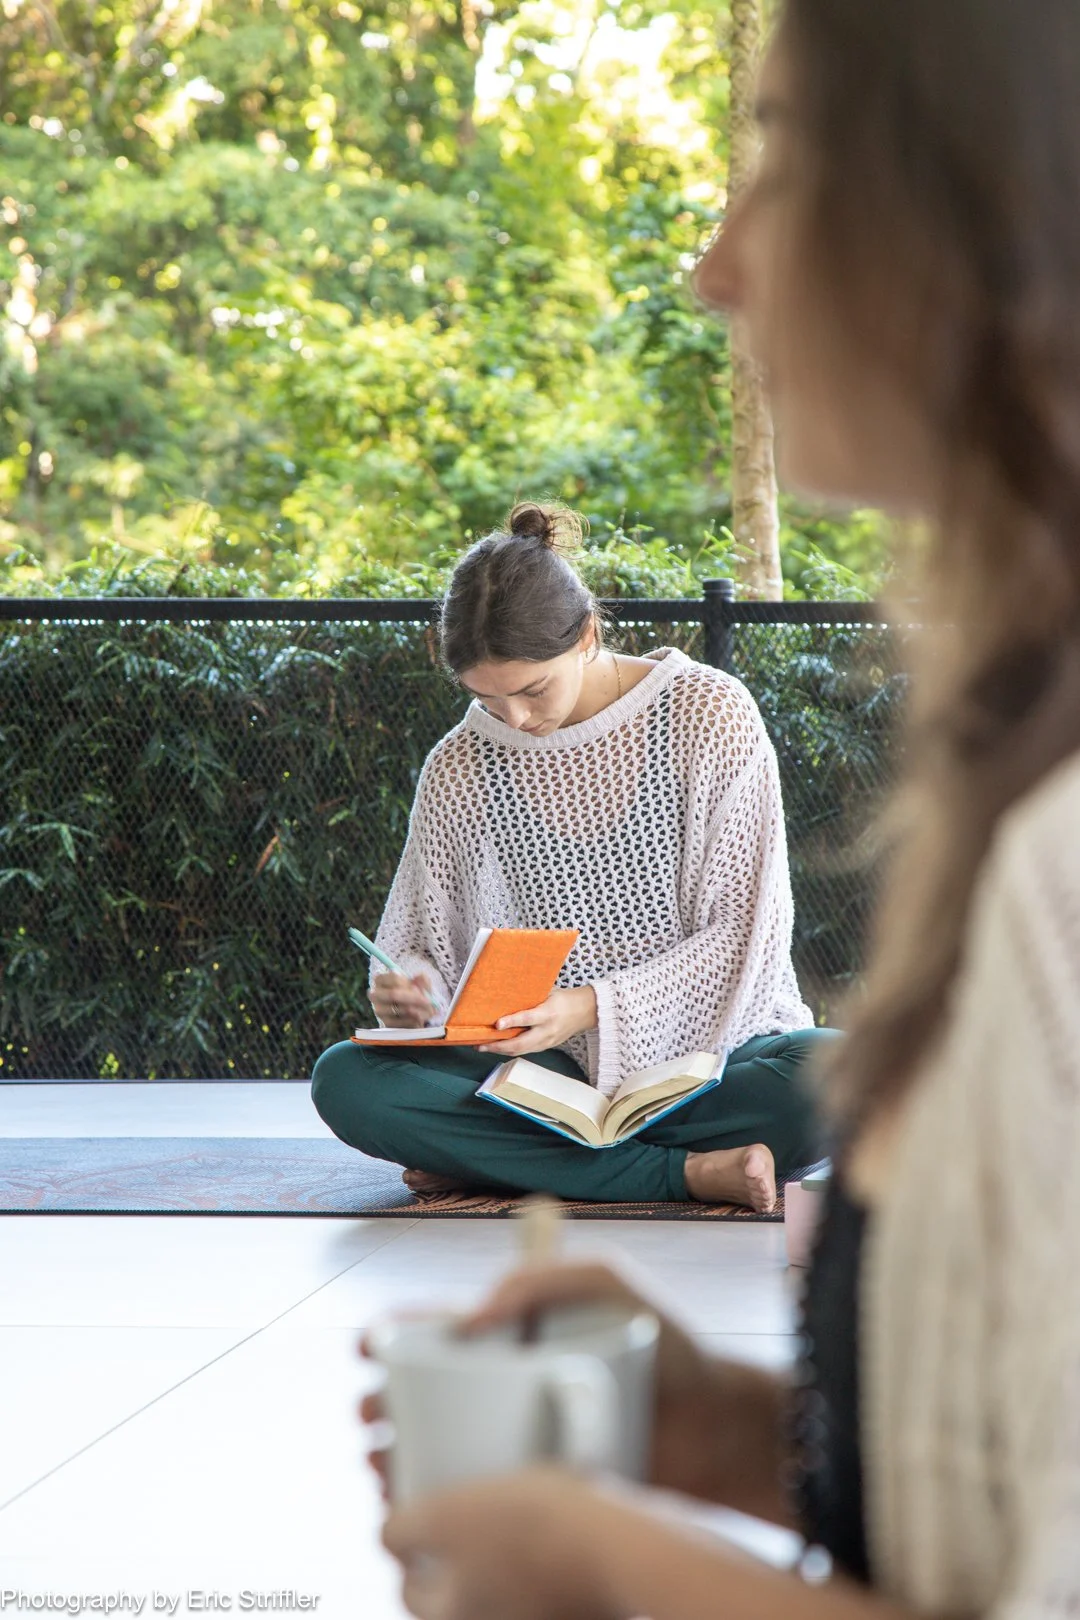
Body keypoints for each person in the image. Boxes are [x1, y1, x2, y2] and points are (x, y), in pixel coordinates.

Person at [362, 0, 1080, 1617]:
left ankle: (688, 1159)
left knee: (802, 1072)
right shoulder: (1016, 759)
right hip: (546, 1086)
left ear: (990, 209)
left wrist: (609, 1565)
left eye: (788, 159)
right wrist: (723, 1431)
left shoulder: (1053, 853)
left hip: (703, 1057)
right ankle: (678, 1172)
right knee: (363, 1083)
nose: (717, 265)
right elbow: (1021, 1490)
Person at [311, 500, 831, 1212]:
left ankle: (504, 1159)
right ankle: (684, 1173)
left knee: (840, 1072)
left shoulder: (710, 714)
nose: (516, 719)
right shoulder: (460, 764)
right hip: (538, 1072)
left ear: (587, 634)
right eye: (487, 699)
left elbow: (748, 936)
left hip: (710, 1058)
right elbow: (425, 947)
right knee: (347, 1080)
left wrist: (589, 1008)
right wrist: (413, 993)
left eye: (532, 689)